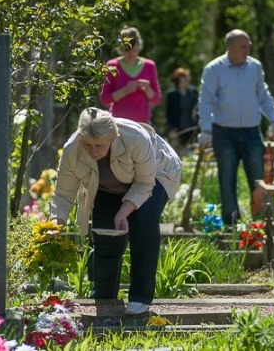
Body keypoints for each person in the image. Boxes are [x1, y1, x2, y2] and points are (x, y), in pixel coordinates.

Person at [49, 108, 181, 315]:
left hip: (155, 174)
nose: (93, 151)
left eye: (99, 145)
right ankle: (104, 296)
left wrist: (124, 210)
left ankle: (140, 297)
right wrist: (55, 225)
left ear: (112, 137)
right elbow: (63, 193)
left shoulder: (136, 138)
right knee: (105, 234)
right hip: (107, 186)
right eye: (88, 145)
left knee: (143, 222)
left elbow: (145, 184)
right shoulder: (71, 150)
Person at [197, 29, 274, 225]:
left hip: (252, 132)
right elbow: (205, 101)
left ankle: (262, 222)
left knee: (260, 178)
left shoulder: (255, 67)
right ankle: (231, 223)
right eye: (243, 46)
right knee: (227, 178)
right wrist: (206, 130)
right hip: (223, 133)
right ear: (230, 48)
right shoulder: (213, 69)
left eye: (249, 45)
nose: (248, 49)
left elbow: (263, 96)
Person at [100, 27, 161, 123]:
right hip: (119, 123)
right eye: (127, 51)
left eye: (134, 51)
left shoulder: (149, 65)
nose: (131, 55)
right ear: (120, 49)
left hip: (143, 123)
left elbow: (157, 100)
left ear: (139, 47)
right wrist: (126, 90)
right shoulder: (112, 65)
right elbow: (105, 99)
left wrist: (147, 89)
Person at [166, 67, 199, 148]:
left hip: (192, 127)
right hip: (178, 129)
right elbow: (168, 114)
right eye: (184, 78)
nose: (187, 80)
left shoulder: (193, 92)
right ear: (179, 79)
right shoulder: (172, 95)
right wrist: (171, 129)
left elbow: (198, 108)